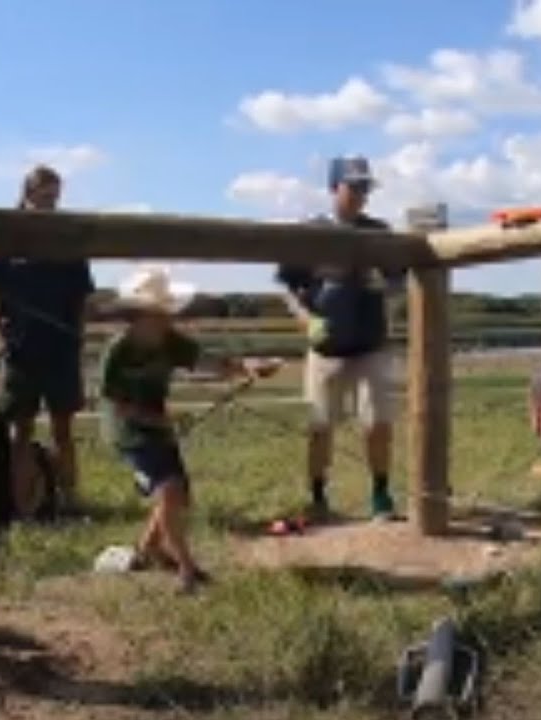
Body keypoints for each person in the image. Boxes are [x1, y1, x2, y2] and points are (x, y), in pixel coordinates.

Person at [98, 266, 281, 593]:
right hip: (127, 431)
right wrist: (162, 421)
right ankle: (187, 569)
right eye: (159, 313)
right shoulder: (118, 350)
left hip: (158, 425)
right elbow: (116, 404)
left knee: (177, 494)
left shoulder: (171, 341)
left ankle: (150, 550)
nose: (168, 318)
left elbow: (210, 362)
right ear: (139, 315)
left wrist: (248, 366)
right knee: (169, 488)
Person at [275, 156, 402, 521]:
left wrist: (386, 286)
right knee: (319, 426)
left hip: (370, 345)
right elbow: (286, 287)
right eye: (354, 187)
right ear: (335, 188)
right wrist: (305, 319)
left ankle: (380, 495)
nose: (361, 195)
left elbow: (400, 278)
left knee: (377, 422)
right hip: (325, 349)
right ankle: (317, 496)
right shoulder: (311, 233)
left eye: (365, 188)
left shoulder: (379, 231)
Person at [0, 165, 95, 517]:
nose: (50, 203)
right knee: (20, 434)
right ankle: (25, 509)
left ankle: (70, 503)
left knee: (63, 429)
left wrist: (79, 334)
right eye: (44, 196)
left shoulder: (68, 241)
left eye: (55, 196)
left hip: (61, 349)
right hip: (19, 350)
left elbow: (83, 298)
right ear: (27, 194)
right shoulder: (6, 240)